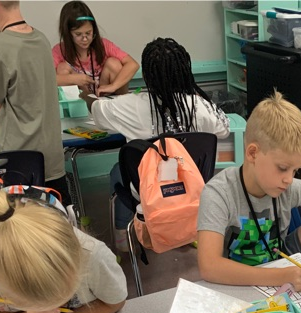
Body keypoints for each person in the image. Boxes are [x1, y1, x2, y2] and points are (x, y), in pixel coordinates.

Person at [197, 91, 301, 290]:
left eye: (295, 170)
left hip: (280, 254)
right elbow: (209, 267)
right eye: (283, 168)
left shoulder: (288, 186)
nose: (289, 179)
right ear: (253, 153)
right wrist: (281, 276)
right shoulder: (218, 193)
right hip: (237, 275)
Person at [82, 37, 230, 248]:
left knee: (118, 171)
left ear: (146, 75)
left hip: (150, 190)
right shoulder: (199, 106)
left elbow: (96, 110)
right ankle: (188, 229)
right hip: (192, 185)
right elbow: (224, 129)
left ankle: (123, 234)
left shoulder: (130, 105)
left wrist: (86, 95)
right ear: (185, 72)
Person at [0, 1, 69, 203]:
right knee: (53, 216)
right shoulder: (40, 39)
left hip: (15, 160)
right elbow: (25, 90)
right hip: (50, 158)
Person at [53, 1, 138, 96]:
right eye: (78, 34)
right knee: (62, 68)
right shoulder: (59, 50)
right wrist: (74, 79)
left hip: (104, 95)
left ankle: (119, 100)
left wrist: (114, 86)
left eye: (88, 33)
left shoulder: (103, 44)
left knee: (113, 63)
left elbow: (133, 64)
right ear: (68, 34)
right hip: (83, 97)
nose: (85, 39)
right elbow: (45, 78)